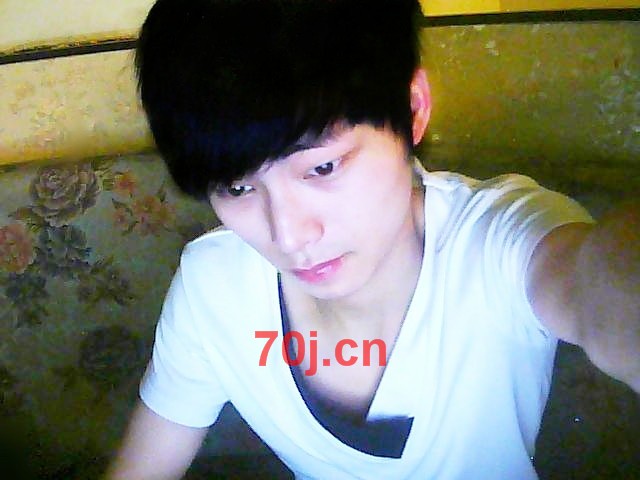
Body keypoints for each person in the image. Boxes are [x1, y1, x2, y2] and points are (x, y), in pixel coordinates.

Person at [105, 0, 640, 478]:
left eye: (323, 167)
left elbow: (596, 285)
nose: (289, 234)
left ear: (412, 109)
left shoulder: (493, 245)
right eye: (238, 187)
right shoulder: (214, 287)